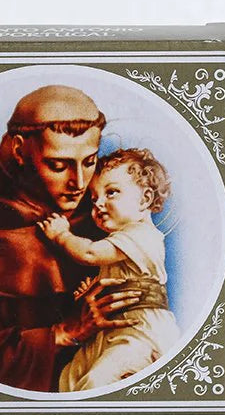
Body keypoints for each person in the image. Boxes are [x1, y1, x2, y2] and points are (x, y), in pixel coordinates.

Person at [0, 85, 144, 392]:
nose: (78, 182)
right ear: (20, 151)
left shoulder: (104, 219)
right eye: (58, 165)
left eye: (89, 162)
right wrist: (62, 334)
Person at [40, 148, 181, 391]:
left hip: (139, 334)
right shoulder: (120, 242)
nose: (98, 204)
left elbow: (90, 253)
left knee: (98, 380)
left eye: (111, 192)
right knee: (70, 378)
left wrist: (61, 235)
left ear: (144, 199)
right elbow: (116, 280)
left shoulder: (142, 235)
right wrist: (93, 290)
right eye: (94, 198)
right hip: (111, 332)